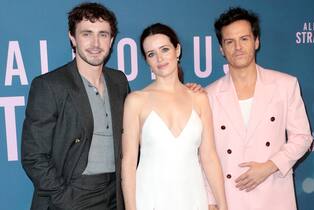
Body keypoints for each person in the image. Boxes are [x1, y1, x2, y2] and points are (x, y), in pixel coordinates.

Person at [21, 3, 128, 210]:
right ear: (73, 37)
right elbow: (33, 156)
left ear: (112, 40)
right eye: (87, 34)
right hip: (73, 193)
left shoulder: (119, 81)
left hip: (116, 193)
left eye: (103, 34)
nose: (95, 43)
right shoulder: (50, 85)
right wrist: (65, 198)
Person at [206, 7, 313, 210]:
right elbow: (206, 155)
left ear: (256, 42)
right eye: (230, 42)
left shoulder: (285, 84)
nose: (238, 47)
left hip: (274, 191)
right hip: (230, 197)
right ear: (221, 48)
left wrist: (269, 167)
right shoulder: (209, 95)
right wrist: (211, 201)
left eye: (244, 39)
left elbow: (303, 137)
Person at [121, 23, 228, 210]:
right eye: (151, 54)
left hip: (193, 197)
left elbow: (209, 156)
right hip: (151, 198)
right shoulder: (136, 101)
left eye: (164, 49)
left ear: (177, 50)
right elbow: (128, 162)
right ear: (147, 61)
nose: (160, 58)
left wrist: (223, 205)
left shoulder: (199, 98)